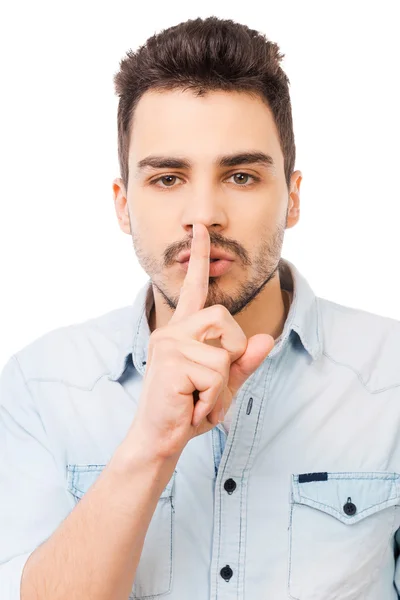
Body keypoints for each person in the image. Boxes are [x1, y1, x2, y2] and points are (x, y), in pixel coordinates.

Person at [1, 15, 399, 600]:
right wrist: (150, 446)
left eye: (241, 175)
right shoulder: (40, 389)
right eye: (167, 178)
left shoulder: (390, 380)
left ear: (292, 197)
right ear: (123, 205)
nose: (203, 215)